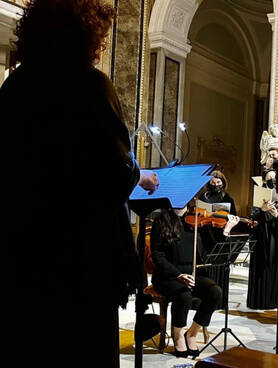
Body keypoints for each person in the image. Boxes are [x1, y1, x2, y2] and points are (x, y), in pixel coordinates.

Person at [2, 1, 159, 365]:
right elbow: (115, 173)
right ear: (86, 36)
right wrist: (139, 174)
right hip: (81, 262)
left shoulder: (14, 87)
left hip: (20, 254)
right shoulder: (90, 85)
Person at [151, 205, 238, 357]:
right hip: (167, 276)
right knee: (183, 294)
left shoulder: (197, 219)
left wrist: (226, 230)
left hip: (192, 274)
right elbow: (157, 255)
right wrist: (178, 275)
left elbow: (209, 250)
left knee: (215, 292)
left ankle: (191, 334)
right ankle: (178, 335)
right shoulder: (161, 221)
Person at [247, 170, 278, 309]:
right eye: (269, 179)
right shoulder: (259, 196)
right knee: (260, 266)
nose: (272, 181)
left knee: (274, 265)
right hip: (261, 237)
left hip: (276, 238)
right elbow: (253, 219)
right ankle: (258, 301)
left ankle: (273, 301)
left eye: (275, 179)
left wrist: (277, 215)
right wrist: (263, 210)